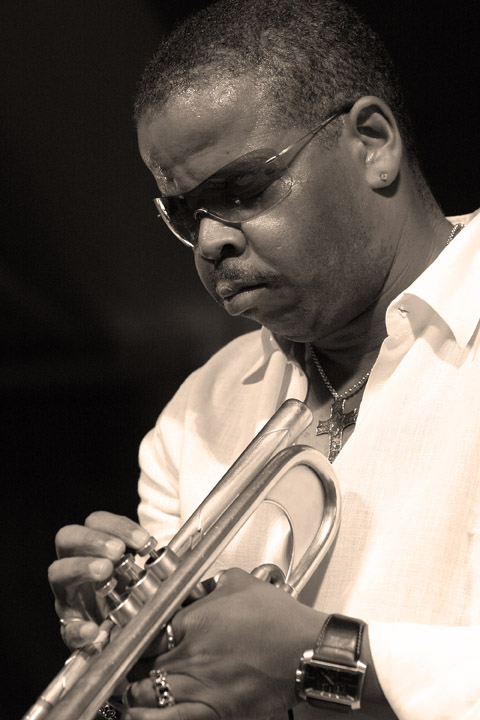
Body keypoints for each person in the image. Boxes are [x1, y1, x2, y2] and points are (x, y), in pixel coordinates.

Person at [47, 0, 480, 718]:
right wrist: (135, 668)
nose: (211, 242)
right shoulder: (198, 413)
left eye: (241, 190)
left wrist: (325, 663)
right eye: (186, 214)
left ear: (373, 142)